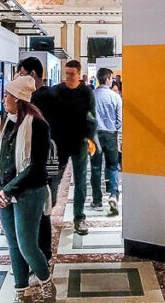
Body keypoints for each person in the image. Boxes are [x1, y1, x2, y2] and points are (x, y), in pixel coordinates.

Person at [0, 75, 57, 303]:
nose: (3, 99)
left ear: (18, 100)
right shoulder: (6, 124)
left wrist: (8, 190)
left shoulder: (38, 124)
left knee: (28, 245)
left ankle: (47, 286)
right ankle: (22, 296)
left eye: (7, 95)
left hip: (29, 192)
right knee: (14, 246)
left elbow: (37, 167)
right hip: (5, 194)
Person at [48, 60, 97, 235]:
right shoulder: (56, 91)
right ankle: (46, 214)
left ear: (79, 73)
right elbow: (49, 116)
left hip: (79, 143)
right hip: (59, 143)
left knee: (81, 181)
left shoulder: (86, 92)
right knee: (54, 179)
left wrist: (89, 138)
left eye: (72, 74)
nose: (68, 77)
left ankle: (79, 218)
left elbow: (91, 115)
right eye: (67, 73)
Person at [18, 57, 56, 264]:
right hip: (40, 161)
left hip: (39, 161)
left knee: (41, 209)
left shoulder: (39, 100)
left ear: (32, 74)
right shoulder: (45, 96)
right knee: (42, 207)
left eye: (22, 74)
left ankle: (40, 253)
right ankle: (38, 250)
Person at [91, 68, 123, 215]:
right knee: (112, 166)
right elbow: (119, 120)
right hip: (111, 135)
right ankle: (113, 194)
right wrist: (115, 129)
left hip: (95, 135)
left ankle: (97, 200)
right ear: (108, 79)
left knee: (96, 167)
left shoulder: (91, 96)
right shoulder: (115, 97)